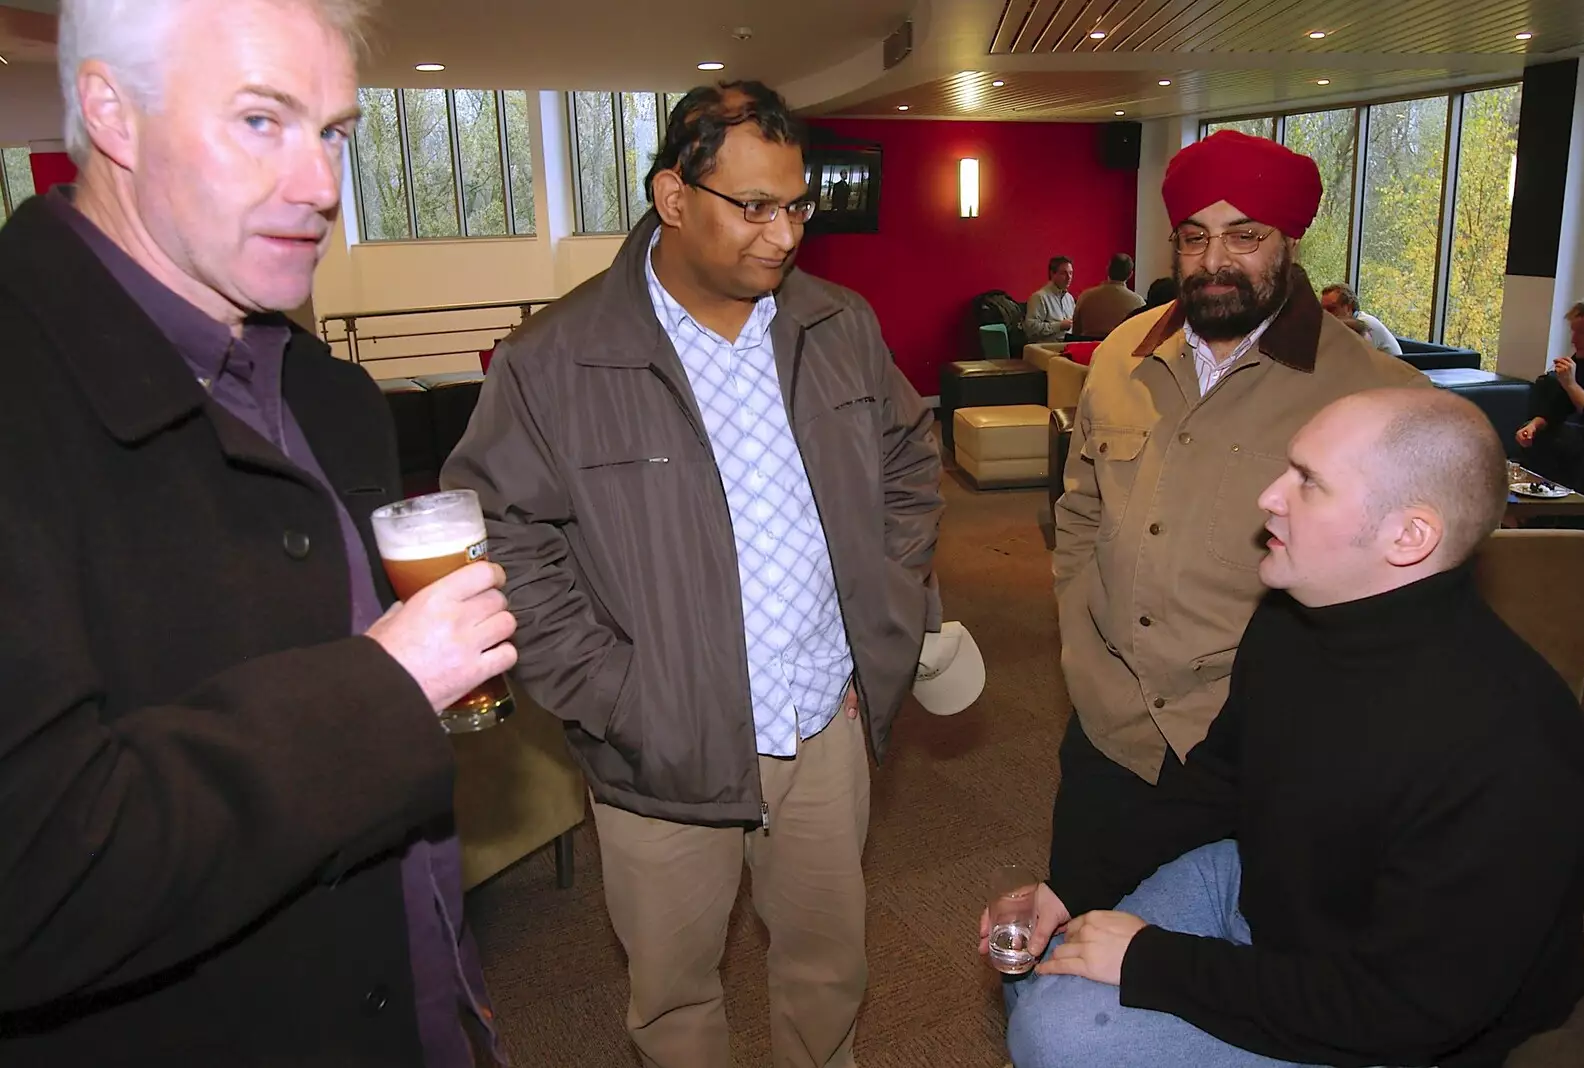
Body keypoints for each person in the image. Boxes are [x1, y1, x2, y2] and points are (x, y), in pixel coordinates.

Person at [0, 1, 515, 1065]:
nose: (324, 187)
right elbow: (33, 877)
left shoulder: (328, 394)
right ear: (113, 114)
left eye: (333, 133)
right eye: (259, 122)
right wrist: (383, 689)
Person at [442, 81, 943, 1068]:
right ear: (672, 197)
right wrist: (611, 692)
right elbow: (503, 533)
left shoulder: (837, 324)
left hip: (819, 719)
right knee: (673, 998)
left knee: (827, 967)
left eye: (798, 205)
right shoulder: (558, 359)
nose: (785, 234)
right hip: (660, 746)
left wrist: (875, 615)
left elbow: (908, 461)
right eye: (752, 206)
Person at [1002, 388, 1584, 1068]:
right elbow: (1218, 782)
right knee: (1038, 959)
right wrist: (1071, 886)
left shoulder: (1515, 750)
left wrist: (1155, 961)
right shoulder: (1295, 617)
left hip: (1388, 1008)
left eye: (1308, 483)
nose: (1269, 496)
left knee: (1057, 1038)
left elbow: (1404, 1008)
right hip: (1269, 890)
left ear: (1408, 535)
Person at [1047, 129, 1426, 922]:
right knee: (1076, 938)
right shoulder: (1120, 354)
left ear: (1288, 242)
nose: (1215, 260)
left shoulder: (1367, 392)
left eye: (1245, 236)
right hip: (1110, 723)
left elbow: (1402, 593)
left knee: (1237, 969)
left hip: (1261, 747)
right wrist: (1080, 651)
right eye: (1195, 237)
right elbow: (1079, 509)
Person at [1516, 298, 1584, 495]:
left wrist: (1571, 384)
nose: (1573, 340)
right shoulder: (1582, 359)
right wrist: (1534, 425)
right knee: (1537, 434)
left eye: (1581, 333)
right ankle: (1535, 501)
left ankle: (1582, 514)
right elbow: (1557, 407)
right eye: (1573, 331)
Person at [1318, 282, 1403, 356]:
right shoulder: (1345, 326)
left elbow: (1354, 361)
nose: (1326, 315)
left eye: (1331, 309)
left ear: (1349, 308)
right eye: (1322, 310)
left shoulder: (1365, 326)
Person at [1073, 253, 1145, 337]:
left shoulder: (1085, 296)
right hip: (1119, 348)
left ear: (1107, 269)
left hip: (1089, 348)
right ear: (1130, 275)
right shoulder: (1138, 302)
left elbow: (1075, 331)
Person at [1026, 255, 1077, 341]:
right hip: (1048, 348)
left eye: (1071, 273)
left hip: (1068, 345)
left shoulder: (1069, 298)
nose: (1069, 277)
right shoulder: (1039, 297)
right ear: (1052, 274)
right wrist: (1059, 326)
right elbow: (1031, 329)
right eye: (1064, 273)